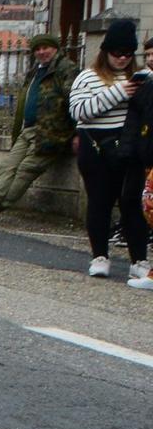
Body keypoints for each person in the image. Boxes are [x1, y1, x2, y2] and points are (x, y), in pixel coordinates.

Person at [0, 34, 74, 226]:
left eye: (46, 48)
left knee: (25, 170)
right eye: (37, 49)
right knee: (8, 166)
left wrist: (76, 132)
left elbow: (73, 101)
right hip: (28, 129)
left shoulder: (66, 69)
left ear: (55, 48)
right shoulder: (35, 71)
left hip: (51, 132)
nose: (42, 52)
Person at [69, 19, 149, 286]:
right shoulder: (87, 77)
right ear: (106, 52)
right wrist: (117, 93)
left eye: (128, 53)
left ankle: (139, 261)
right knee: (100, 202)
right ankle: (100, 256)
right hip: (96, 147)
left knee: (132, 205)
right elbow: (78, 112)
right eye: (117, 53)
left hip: (130, 148)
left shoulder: (140, 77)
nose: (123, 59)